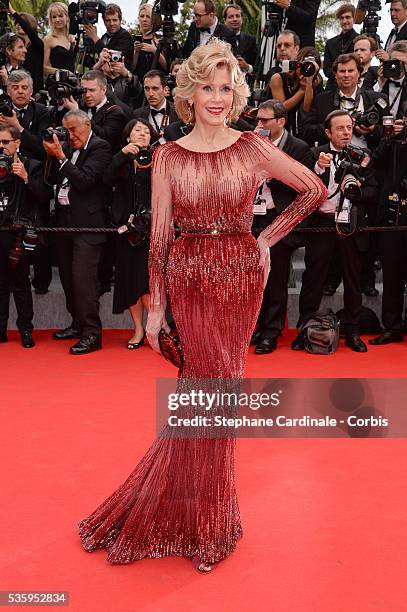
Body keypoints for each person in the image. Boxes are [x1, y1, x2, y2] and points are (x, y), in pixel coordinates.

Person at [78, 39, 326, 572]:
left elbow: (312, 190)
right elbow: (161, 238)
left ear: (235, 92)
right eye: (207, 87)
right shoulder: (167, 155)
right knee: (200, 393)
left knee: (219, 393)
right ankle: (193, 512)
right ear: (190, 91)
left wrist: (266, 239)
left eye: (225, 87)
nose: (217, 97)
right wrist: (159, 304)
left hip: (239, 274)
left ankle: (209, 521)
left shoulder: (250, 146)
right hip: (188, 275)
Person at [291, 110, 378, 353]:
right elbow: (301, 188)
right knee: (313, 279)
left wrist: (358, 191)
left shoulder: (364, 156)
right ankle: (304, 329)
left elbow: (374, 191)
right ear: (328, 132)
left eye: (349, 127)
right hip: (322, 223)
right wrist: (319, 170)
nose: (346, 132)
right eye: (340, 128)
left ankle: (352, 331)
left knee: (353, 280)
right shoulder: (315, 154)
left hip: (350, 224)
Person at [43, 110, 112, 355]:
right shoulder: (66, 148)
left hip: (88, 225)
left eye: (75, 129)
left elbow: (85, 181)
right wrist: (53, 156)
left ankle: (92, 334)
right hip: (63, 222)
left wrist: (61, 158)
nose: (71, 135)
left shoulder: (100, 147)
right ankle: (77, 324)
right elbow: (50, 180)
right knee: (69, 280)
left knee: (84, 281)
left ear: (87, 124)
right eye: (67, 130)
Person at [251, 100, 314, 354]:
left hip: (279, 219)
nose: (260, 124)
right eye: (258, 119)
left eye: (265, 120)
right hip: (253, 218)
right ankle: (256, 326)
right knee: (254, 278)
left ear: (281, 122)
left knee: (275, 278)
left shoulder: (298, 148)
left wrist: (271, 172)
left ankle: (271, 331)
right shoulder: (251, 145)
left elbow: (303, 186)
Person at [104, 119, 158, 348]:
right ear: (128, 136)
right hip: (126, 230)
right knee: (128, 281)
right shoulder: (121, 159)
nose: (142, 134)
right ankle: (138, 329)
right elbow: (106, 180)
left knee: (147, 283)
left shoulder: (157, 158)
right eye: (138, 130)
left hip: (151, 229)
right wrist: (122, 155)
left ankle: (156, 328)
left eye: (146, 131)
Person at [0, 124, 50, 348]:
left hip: (19, 233)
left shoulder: (32, 165)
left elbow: (43, 196)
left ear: (17, 143)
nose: (0, 147)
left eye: (4, 142)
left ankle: (25, 330)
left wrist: (26, 177)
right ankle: (1, 329)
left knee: (20, 283)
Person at [269, 46, 323, 137]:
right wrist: (302, 90)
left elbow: (307, 109)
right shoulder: (278, 78)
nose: (305, 70)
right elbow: (281, 109)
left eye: (310, 68)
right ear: (297, 63)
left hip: (299, 133)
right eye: (304, 66)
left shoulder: (315, 81)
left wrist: (309, 83)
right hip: (276, 128)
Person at [84, 3, 134, 71]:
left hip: (120, 79)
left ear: (120, 20)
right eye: (108, 20)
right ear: (104, 21)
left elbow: (113, 58)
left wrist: (95, 38)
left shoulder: (126, 37)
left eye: (114, 20)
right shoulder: (104, 37)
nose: (111, 24)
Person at [9, 2, 44, 94]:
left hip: (36, 92)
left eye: (21, 22)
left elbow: (29, 32)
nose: (18, 25)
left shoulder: (37, 44)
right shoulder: (12, 46)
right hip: (17, 91)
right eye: (16, 23)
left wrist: (13, 12)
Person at [323, 3, 358, 91]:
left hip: (354, 87)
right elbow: (326, 68)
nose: (344, 21)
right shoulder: (330, 43)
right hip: (332, 88)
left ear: (354, 19)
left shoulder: (360, 41)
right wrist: (338, 76)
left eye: (348, 17)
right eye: (341, 18)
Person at [132, 3, 167, 80]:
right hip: (138, 84)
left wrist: (154, 50)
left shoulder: (160, 40)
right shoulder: (132, 39)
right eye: (142, 16)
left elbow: (166, 67)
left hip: (157, 84)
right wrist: (136, 52)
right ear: (138, 19)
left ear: (153, 19)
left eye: (148, 16)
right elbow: (131, 68)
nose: (144, 19)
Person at [223, 4, 258, 78]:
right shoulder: (218, 39)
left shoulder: (251, 40)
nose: (235, 19)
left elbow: (259, 67)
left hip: (244, 85)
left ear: (242, 19)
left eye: (237, 16)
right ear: (225, 20)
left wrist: (247, 67)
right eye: (230, 17)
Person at [43, 2, 76, 75]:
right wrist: (63, 72)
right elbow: (44, 67)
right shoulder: (49, 39)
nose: (57, 19)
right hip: (56, 82)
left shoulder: (71, 38)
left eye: (60, 16)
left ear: (67, 17)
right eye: (54, 17)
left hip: (73, 83)